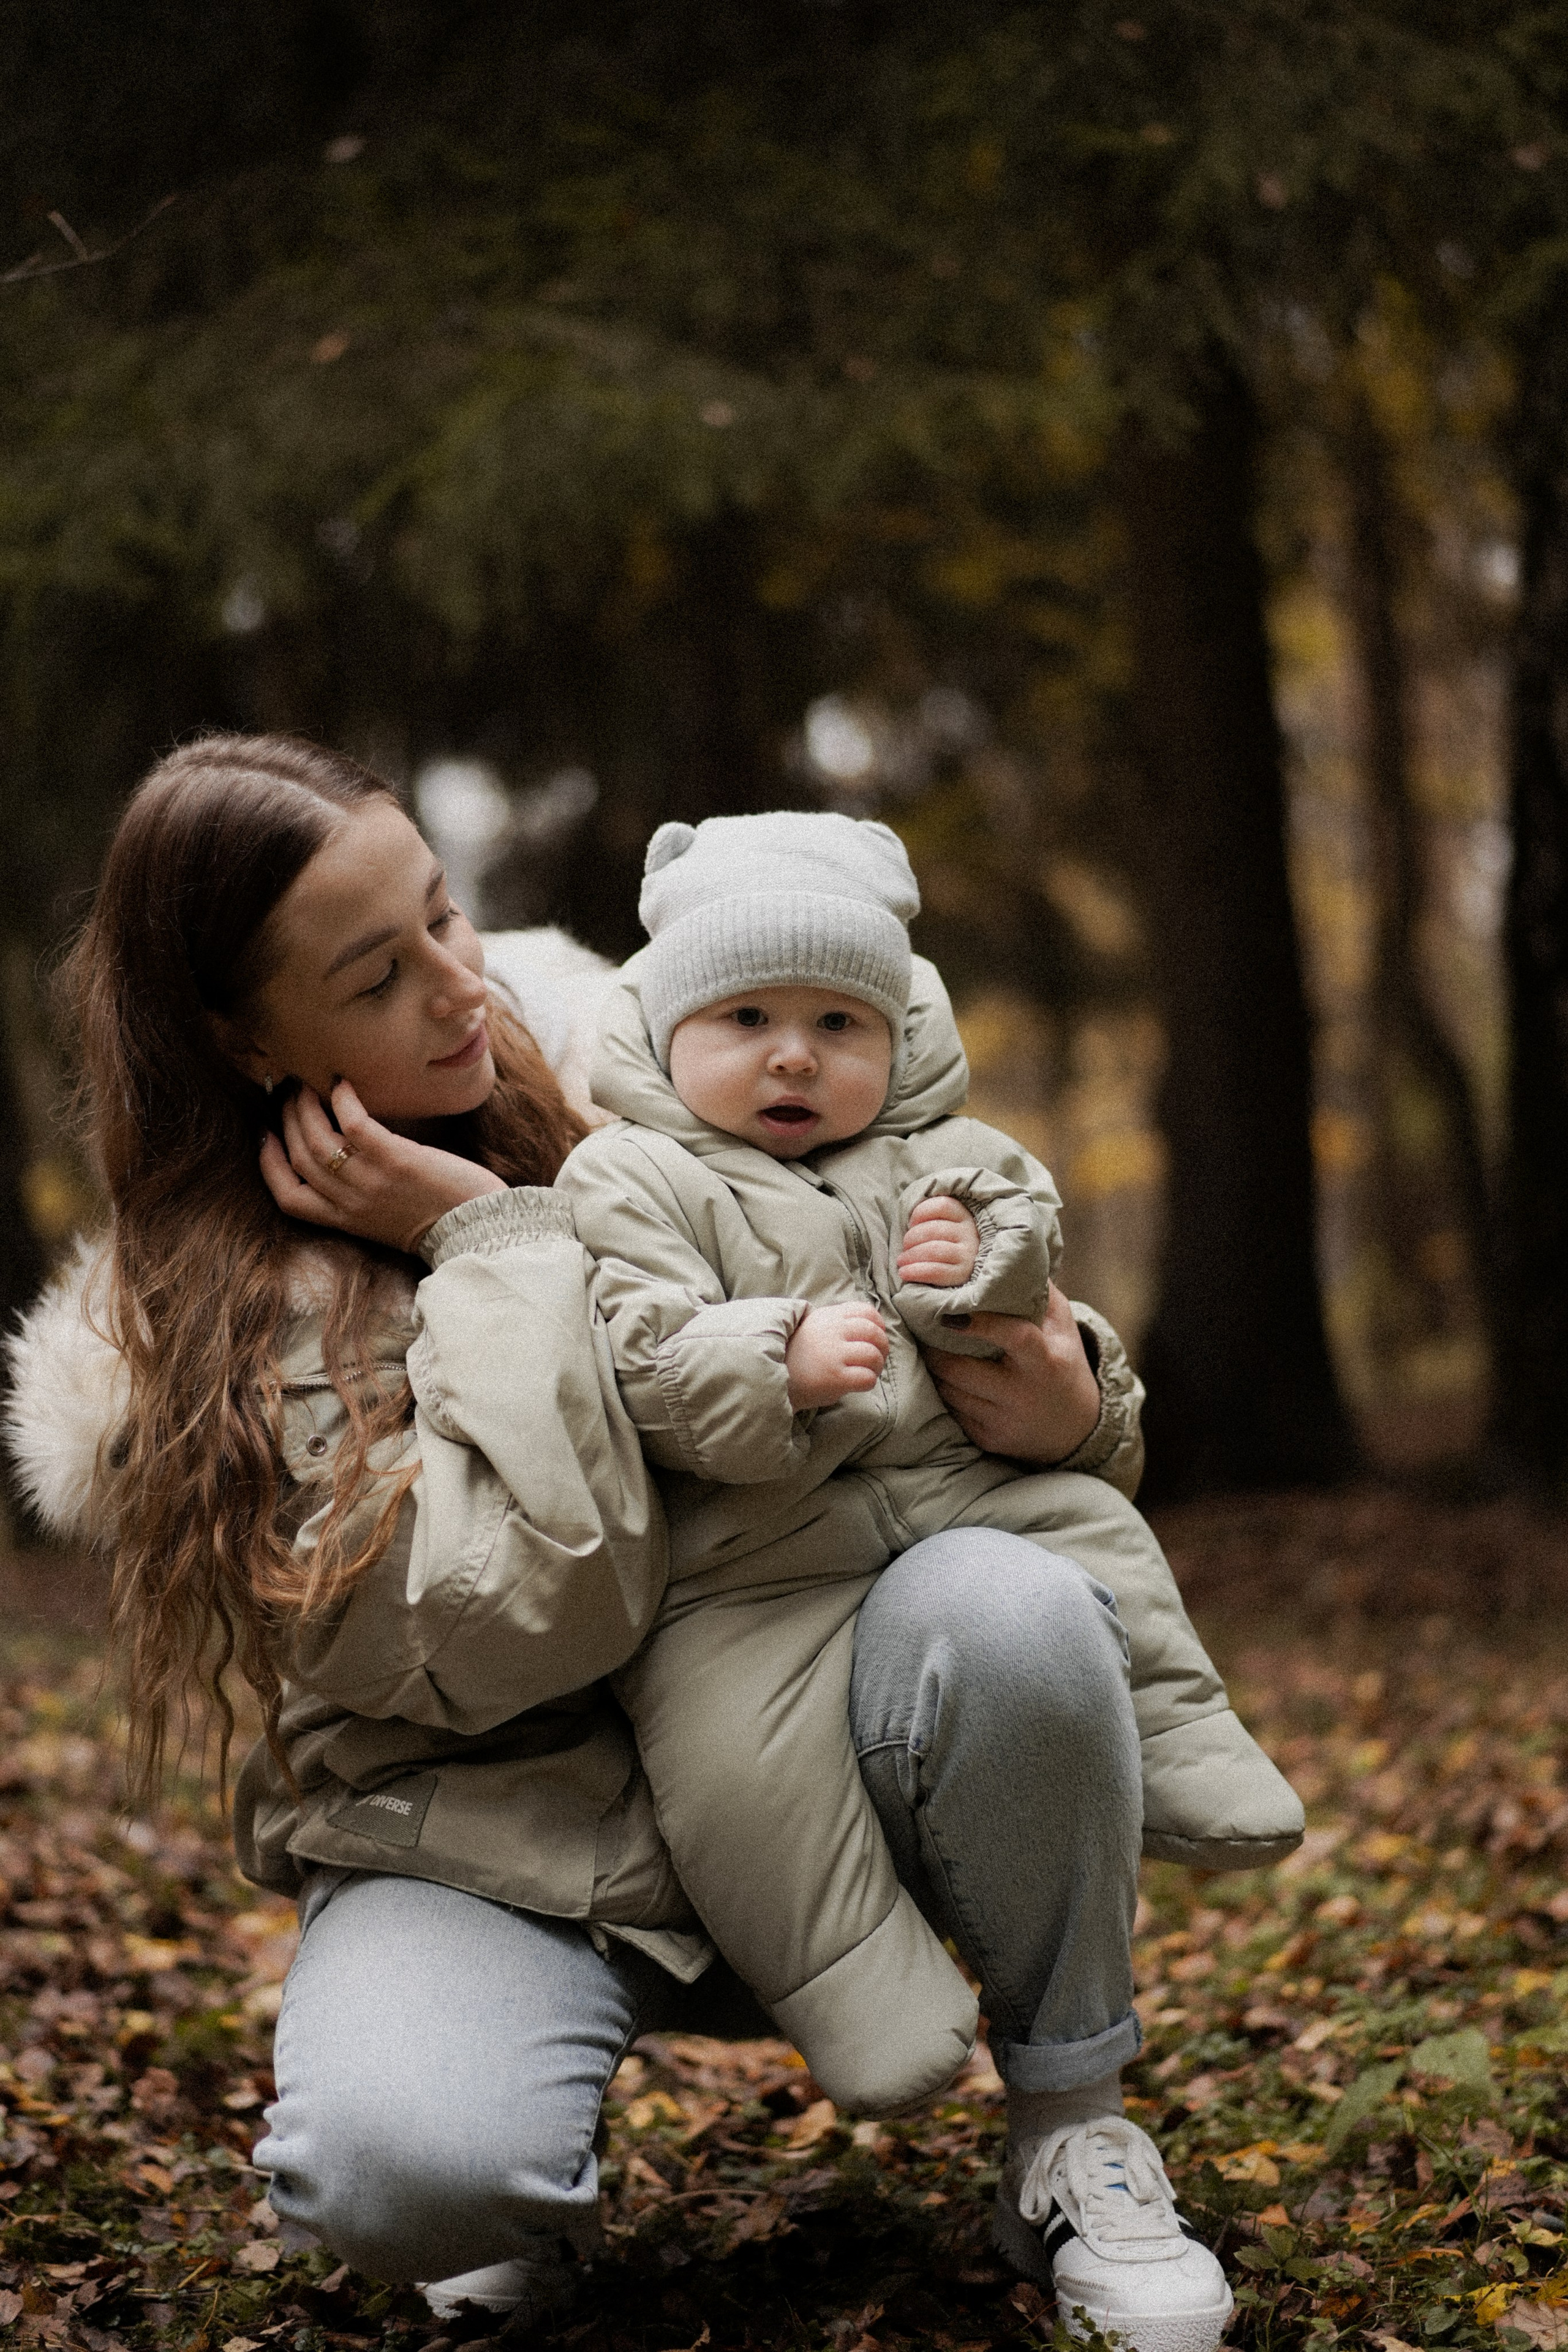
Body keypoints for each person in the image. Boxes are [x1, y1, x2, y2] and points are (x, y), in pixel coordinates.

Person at [3, 734, 1232, 2352]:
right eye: (381, 975)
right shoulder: (218, 1346)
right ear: (240, 1039)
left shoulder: (644, 1072)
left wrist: (1069, 1401)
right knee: (397, 2177)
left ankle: (1073, 2127)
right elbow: (540, 1617)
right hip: (497, 1840)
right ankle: (517, 2143)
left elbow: (933, 1305)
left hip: (815, 1748)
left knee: (1013, 1600)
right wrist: (488, 1236)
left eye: (446, 918)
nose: (459, 989)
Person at [557, 812, 1303, 2114]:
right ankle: (862, 1993)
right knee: (736, 1770)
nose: (793, 1055)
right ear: (666, 1032)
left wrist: (986, 1265)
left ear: (895, 1037)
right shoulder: (631, 1174)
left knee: (1094, 1535)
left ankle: (1181, 1741)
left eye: (839, 1025)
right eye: (744, 1020)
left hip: (966, 1493)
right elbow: (640, 1346)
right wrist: (772, 1359)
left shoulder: (939, 1152)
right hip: (752, 1565)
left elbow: (1025, 1221)